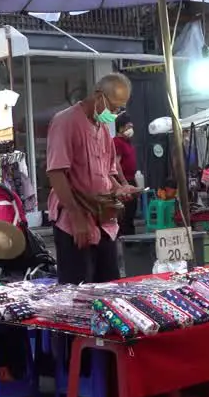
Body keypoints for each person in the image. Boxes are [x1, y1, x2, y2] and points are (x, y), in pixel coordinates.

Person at [46, 74, 140, 284]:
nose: (115, 114)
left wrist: (120, 189)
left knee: (109, 287)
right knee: (78, 292)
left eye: (119, 110)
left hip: (103, 221)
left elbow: (108, 172)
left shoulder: (103, 128)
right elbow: (56, 173)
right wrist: (77, 217)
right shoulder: (66, 121)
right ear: (99, 96)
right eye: (114, 107)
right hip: (75, 222)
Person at [113, 113, 140, 236]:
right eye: (129, 127)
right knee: (125, 215)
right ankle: (125, 241)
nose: (131, 130)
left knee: (131, 212)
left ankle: (131, 239)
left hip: (131, 179)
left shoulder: (127, 142)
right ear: (121, 128)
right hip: (122, 182)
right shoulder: (117, 142)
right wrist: (123, 183)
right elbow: (116, 164)